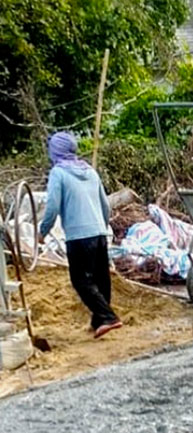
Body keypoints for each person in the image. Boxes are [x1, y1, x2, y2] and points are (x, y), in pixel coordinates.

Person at [38, 132, 123, 339]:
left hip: (78, 236)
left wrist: (42, 232)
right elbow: (105, 205)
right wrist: (102, 228)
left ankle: (109, 317)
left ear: (55, 151)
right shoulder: (90, 171)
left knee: (81, 280)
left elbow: (52, 207)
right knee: (101, 279)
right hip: (99, 233)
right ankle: (98, 322)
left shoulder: (58, 173)